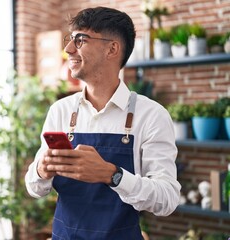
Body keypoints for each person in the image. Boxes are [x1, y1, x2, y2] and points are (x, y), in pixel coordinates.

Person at [25, 6, 181, 239]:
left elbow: (167, 199)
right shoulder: (60, 111)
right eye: (71, 39)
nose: (68, 49)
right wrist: (41, 169)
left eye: (80, 40)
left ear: (112, 49)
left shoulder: (151, 116)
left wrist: (113, 175)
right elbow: (34, 188)